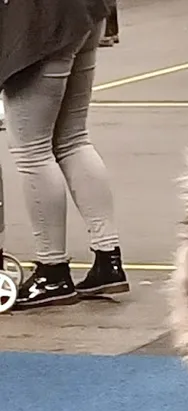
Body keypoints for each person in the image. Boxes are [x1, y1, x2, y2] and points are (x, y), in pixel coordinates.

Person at [0, 0, 129, 310]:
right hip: (84, 11)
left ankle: (52, 271)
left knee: (32, 151)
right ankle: (108, 260)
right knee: (73, 139)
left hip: (38, 22)